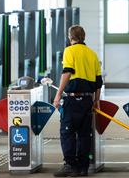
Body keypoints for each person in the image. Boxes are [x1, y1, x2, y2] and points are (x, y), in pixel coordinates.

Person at [52, 25, 103, 177]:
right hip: (87, 99)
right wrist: (96, 100)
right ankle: (82, 168)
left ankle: (70, 165)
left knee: (67, 133)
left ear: (70, 37)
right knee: (84, 134)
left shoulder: (69, 51)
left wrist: (58, 94)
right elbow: (98, 81)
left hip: (72, 100)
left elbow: (67, 72)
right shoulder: (92, 54)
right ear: (83, 36)